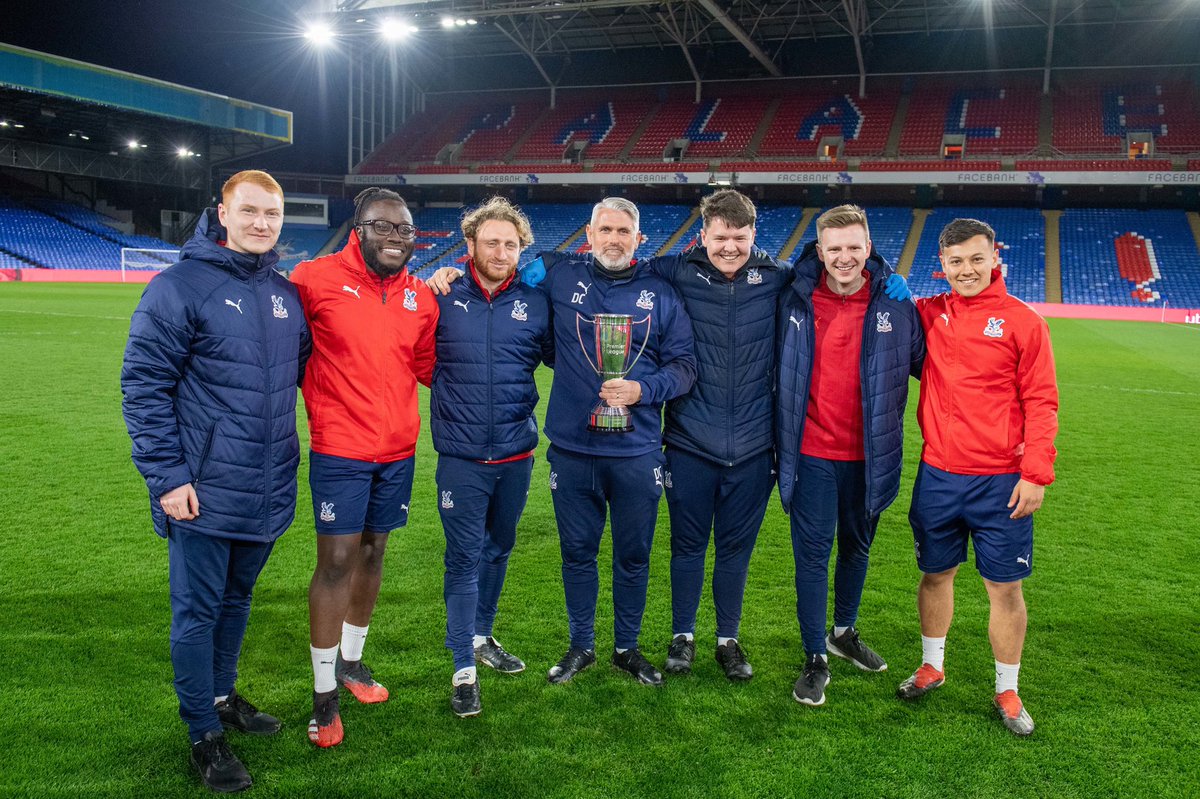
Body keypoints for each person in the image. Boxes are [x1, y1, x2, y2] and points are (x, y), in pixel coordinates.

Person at [121, 170, 309, 793]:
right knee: (197, 610)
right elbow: (144, 386)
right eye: (250, 211)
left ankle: (223, 697)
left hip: (267, 483)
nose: (262, 224)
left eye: (273, 215)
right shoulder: (177, 286)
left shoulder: (285, 293)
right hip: (200, 488)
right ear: (222, 213)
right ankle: (203, 731)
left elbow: (290, 377)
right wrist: (168, 477)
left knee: (237, 600)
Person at [896, 218, 1058, 737]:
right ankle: (931, 665)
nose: (966, 270)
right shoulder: (929, 314)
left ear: (994, 259)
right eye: (955, 262)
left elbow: (1042, 401)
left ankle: (1007, 689)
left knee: (1004, 589)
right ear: (941, 266)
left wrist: (1035, 473)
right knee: (935, 575)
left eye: (975, 259)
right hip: (939, 474)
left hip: (1001, 481)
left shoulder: (1023, 321)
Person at [290, 187, 438, 747]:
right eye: (383, 226)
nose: (395, 238)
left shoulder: (420, 297)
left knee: (375, 552)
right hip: (339, 448)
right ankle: (323, 698)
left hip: (398, 450)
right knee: (336, 561)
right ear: (358, 228)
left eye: (404, 230)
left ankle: (352, 663)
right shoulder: (313, 278)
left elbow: (426, 367)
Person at [540, 198, 696, 685]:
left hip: (637, 452)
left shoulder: (663, 291)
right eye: (604, 229)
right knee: (577, 552)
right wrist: (448, 277)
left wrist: (642, 391)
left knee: (634, 554)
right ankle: (581, 645)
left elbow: (685, 367)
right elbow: (498, 278)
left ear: (638, 238)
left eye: (623, 231)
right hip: (573, 449)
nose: (613, 239)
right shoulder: (558, 276)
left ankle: (626, 647)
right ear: (588, 234)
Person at [777, 205, 925, 706]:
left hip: (871, 455)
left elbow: (935, 365)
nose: (844, 257)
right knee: (814, 557)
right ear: (820, 251)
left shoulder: (895, 305)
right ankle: (815, 656)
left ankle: (843, 632)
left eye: (853, 247)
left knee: (857, 550)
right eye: (834, 248)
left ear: (869, 249)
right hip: (812, 452)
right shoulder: (792, 298)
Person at [428, 197, 553, 717]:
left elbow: (565, 359)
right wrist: (437, 277)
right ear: (470, 245)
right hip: (460, 457)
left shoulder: (536, 302)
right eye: (491, 242)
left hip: (515, 455)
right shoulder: (441, 296)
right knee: (463, 558)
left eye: (510, 243)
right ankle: (463, 667)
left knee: (499, 548)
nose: (501, 251)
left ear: (520, 249)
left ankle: (482, 636)